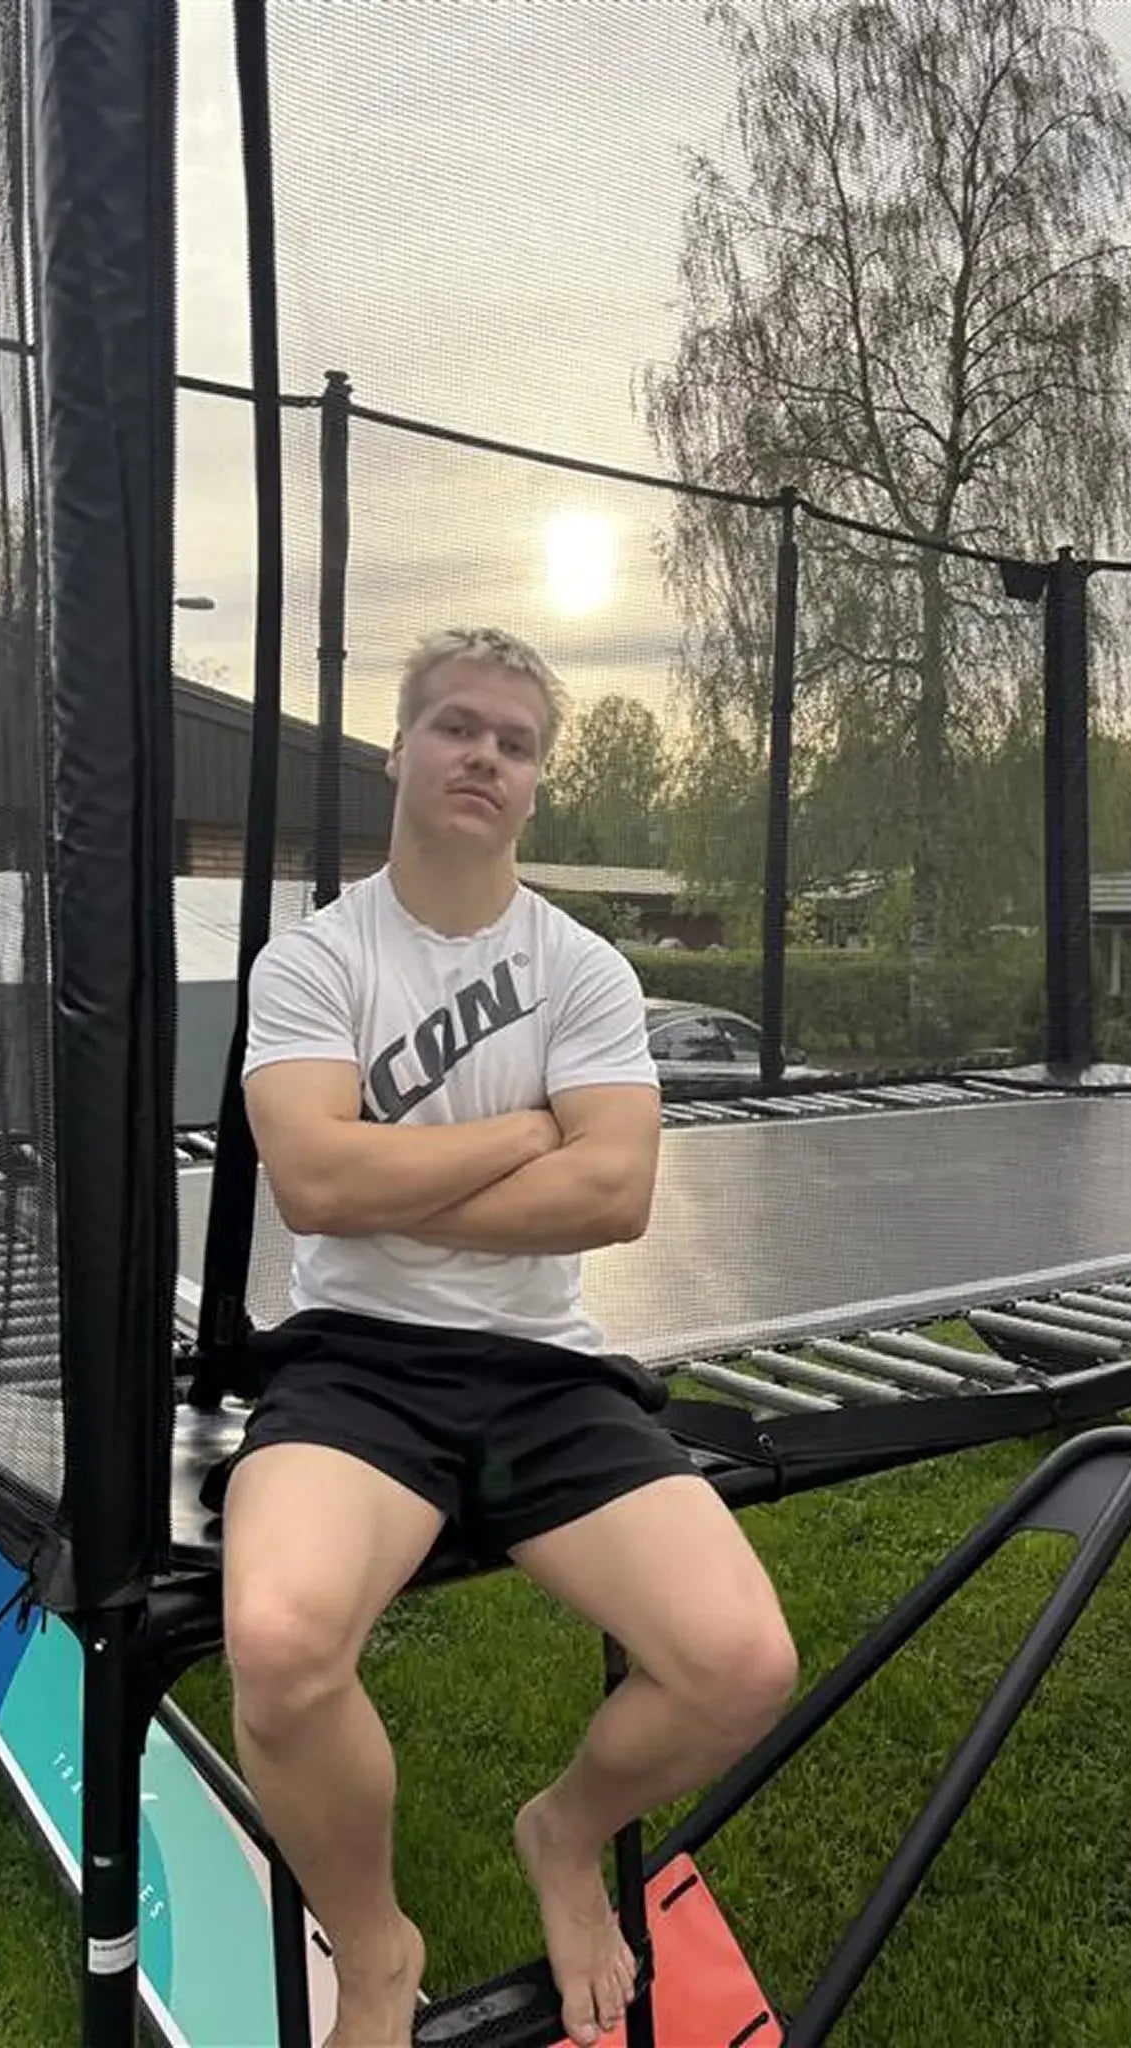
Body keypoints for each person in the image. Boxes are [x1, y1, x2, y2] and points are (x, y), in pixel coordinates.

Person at [221, 627, 799, 2048]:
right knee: (282, 1645)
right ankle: (373, 1948)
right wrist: (528, 1129)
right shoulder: (313, 962)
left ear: (536, 782)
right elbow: (315, 1184)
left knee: (742, 1664)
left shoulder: (586, 970)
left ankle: (565, 1829)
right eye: (457, 727)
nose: (485, 755)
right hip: (354, 1359)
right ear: (399, 752)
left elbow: (614, 1195)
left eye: (515, 741)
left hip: (547, 1374)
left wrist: (401, 1171)